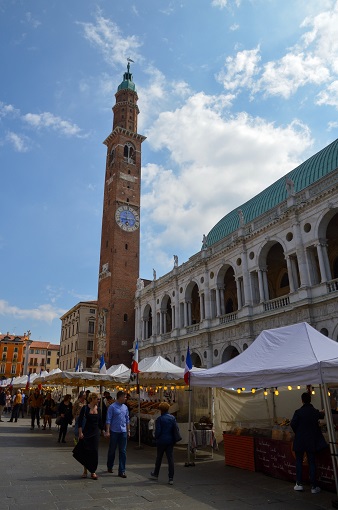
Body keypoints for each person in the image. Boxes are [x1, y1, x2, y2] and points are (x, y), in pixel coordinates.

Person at [291, 392, 325, 494]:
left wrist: (299, 432)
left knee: (299, 462)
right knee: (312, 463)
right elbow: (321, 416)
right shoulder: (314, 412)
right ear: (310, 400)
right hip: (311, 441)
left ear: (302, 400)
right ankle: (314, 486)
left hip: (300, 441)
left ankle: (299, 484)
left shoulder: (298, 412)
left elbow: (293, 424)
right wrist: (322, 412)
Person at [72, 392, 101, 480]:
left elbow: (100, 422)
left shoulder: (98, 409)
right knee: (86, 451)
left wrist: (105, 430)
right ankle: (85, 471)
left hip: (95, 433)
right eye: (97, 399)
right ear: (92, 399)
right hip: (87, 432)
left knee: (94, 452)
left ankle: (93, 471)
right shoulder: (85, 408)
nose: (98, 400)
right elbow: (80, 421)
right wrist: (80, 433)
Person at [150, 402, 180, 485]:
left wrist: (156, 437)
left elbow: (158, 431)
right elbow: (176, 428)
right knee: (170, 459)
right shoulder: (172, 418)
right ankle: (171, 477)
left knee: (159, 457)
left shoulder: (160, 419)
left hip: (161, 441)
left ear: (160, 410)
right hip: (170, 441)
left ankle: (156, 473)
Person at [106, 391, 130, 477]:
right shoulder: (112, 407)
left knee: (122, 451)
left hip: (123, 431)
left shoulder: (125, 407)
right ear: (120, 397)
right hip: (114, 431)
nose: (126, 398)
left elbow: (127, 419)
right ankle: (110, 466)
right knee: (112, 450)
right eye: (125, 397)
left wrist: (128, 430)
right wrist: (108, 431)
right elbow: (108, 419)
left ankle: (122, 470)